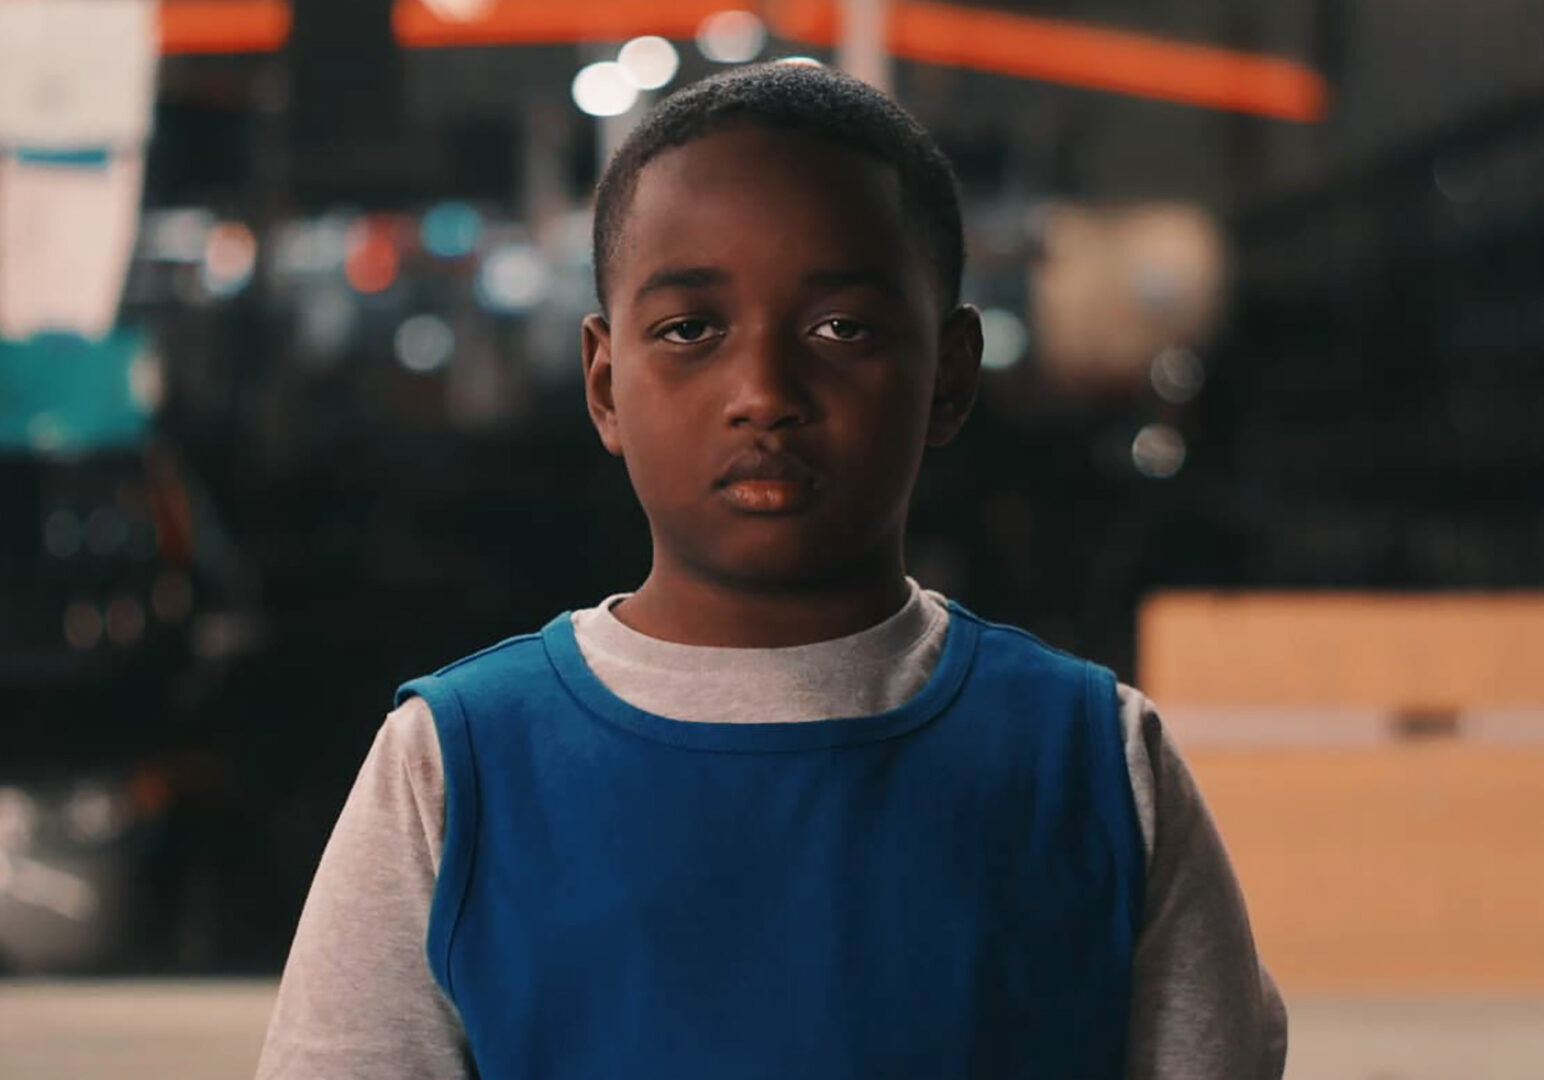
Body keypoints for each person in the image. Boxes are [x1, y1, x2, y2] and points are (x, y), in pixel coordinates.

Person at [256, 62, 1286, 1080]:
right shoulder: (454, 769)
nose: (763, 391)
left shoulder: (1095, 766)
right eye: (689, 330)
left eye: (842, 328)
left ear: (950, 375)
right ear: (606, 384)